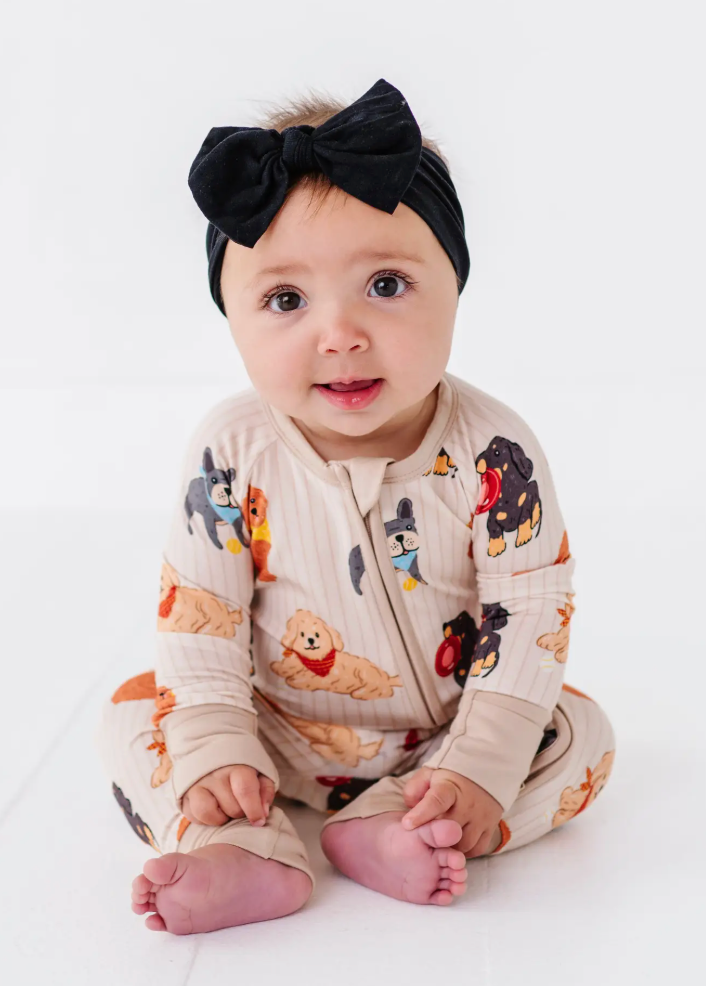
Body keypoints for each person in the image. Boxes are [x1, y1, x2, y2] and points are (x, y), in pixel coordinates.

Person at [96, 78, 616, 936]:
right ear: (232, 319)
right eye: (286, 300)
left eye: (385, 284)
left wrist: (481, 761)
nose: (339, 334)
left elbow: (531, 605)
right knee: (132, 715)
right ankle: (242, 843)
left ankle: (399, 821)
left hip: (444, 735)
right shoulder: (232, 449)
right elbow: (200, 613)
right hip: (275, 732)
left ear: (455, 285)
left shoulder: (494, 448)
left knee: (582, 736)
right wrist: (218, 745)